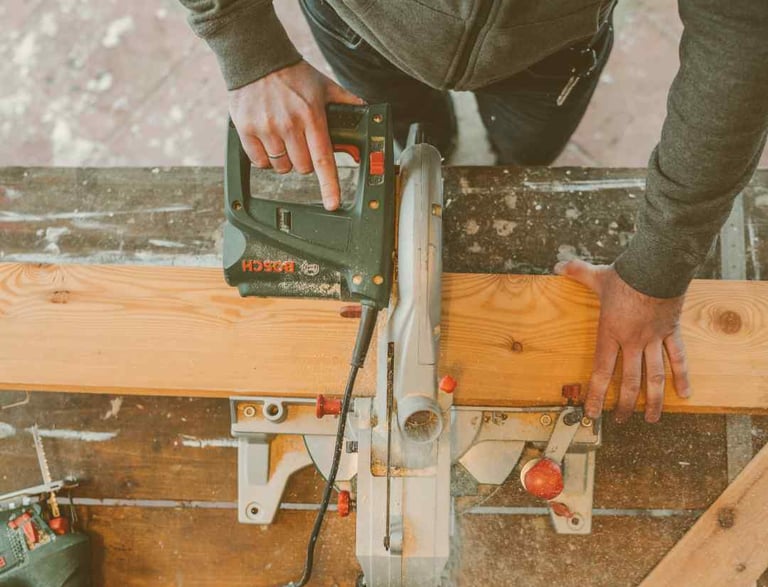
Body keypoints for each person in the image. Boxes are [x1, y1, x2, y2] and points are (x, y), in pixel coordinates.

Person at [179, 0, 768, 424]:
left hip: (550, 51)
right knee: (413, 135)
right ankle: (439, 140)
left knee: (524, 158)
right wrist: (244, 41)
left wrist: (659, 270)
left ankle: (490, 152)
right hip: (362, 23)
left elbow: (744, 34)